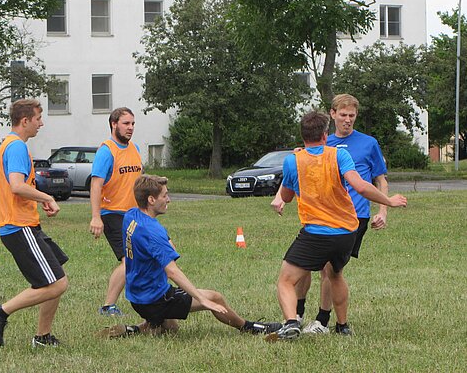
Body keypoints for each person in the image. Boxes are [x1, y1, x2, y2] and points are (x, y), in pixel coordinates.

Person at [266, 112, 406, 342]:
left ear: (303, 137)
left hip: (316, 233)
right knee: (335, 274)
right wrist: (388, 201)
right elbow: (360, 186)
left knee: (286, 280)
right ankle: (342, 326)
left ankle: (292, 322)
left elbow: (287, 197)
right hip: (346, 231)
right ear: (324, 135)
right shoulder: (340, 155)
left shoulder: (293, 160)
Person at [99, 175, 282, 339]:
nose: (168, 199)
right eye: (164, 196)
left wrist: (165, 240)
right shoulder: (152, 232)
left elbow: (162, 243)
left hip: (136, 296)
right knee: (215, 297)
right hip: (154, 298)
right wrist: (202, 299)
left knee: (170, 328)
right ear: (151, 199)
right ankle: (250, 327)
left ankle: (134, 330)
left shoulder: (131, 215)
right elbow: (172, 271)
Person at [0, 99, 68, 348]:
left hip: (27, 224)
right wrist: (47, 196)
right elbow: (16, 185)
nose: (41, 124)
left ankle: (43, 337)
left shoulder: (11, 145)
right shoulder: (17, 147)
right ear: (25, 120)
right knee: (57, 283)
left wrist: (38, 200)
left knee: (56, 275)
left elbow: (17, 189)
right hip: (18, 227)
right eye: (38, 118)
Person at [89, 107, 142, 317]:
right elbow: (95, 185)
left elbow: (138, 182)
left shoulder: (135, 148)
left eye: (132, 124)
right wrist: (95, 217)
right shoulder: (106, 151)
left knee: (161, 249)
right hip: (112, 214)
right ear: (114, 124)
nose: (130, 128)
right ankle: (107, 306)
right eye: (126, 123)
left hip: (135, 214)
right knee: (128, 260)